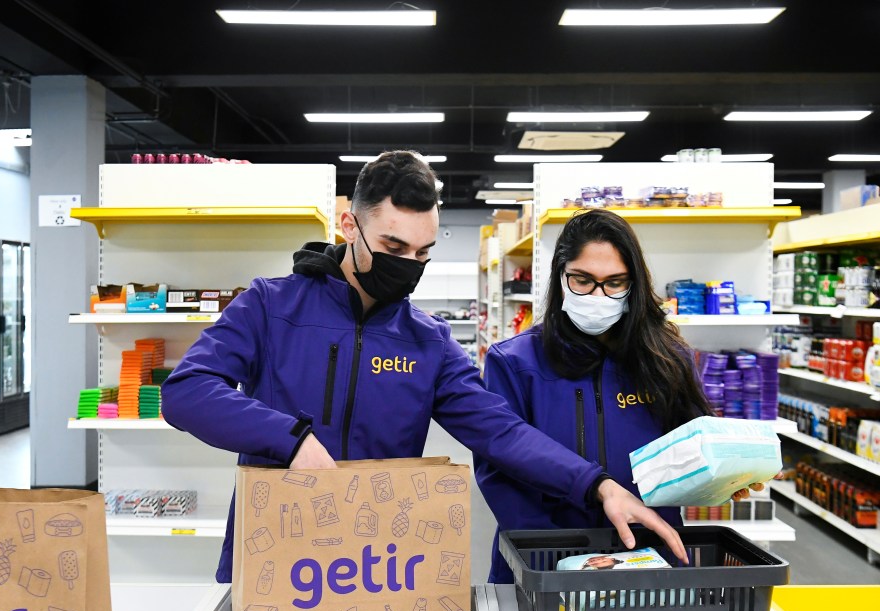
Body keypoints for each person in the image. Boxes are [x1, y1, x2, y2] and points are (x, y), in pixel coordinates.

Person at [161, 151, 688, 584]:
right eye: (393, 246)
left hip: (375, 560)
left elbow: (501, 433)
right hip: (274, 540)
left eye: (422, 252)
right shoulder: (271, 307)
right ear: (350, 226)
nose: (408, 263)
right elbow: (186, 391)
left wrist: (597, 485)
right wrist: (291, 439)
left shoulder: (428, 342)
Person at [475, 208, 762, 584]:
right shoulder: (515, 362)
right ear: (560, 277)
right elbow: (500, 470)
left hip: (646, 561)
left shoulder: (666, 357)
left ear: (634, 285)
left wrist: (723, 475)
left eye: (615, 282)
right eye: (582, 280)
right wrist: (557, 562)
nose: (598, 295)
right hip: (541, 566)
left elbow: (688, 447)